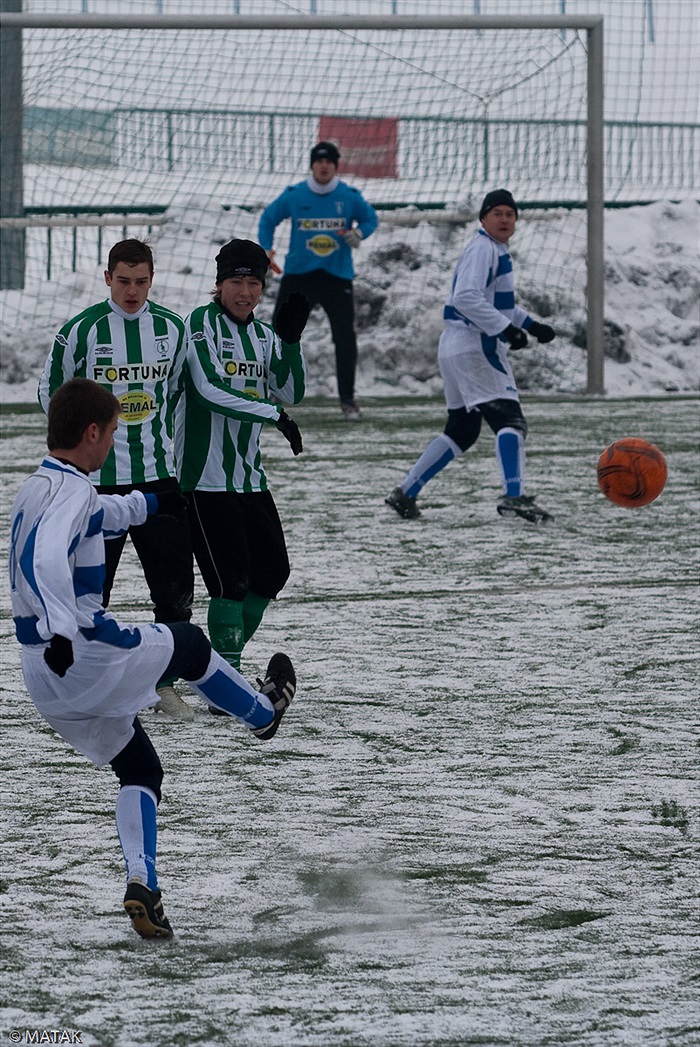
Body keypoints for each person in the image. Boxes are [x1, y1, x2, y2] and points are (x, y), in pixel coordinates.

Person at [8, 378, 298, 939]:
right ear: (92, 433)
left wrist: (156, 503)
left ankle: (144, 884)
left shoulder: (40, 488)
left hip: (43, 677)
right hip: (83, 653)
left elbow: (100, 514)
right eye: (113, 432)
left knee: (140, 769)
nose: (115, 441)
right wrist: (65, 629)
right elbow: (48, 558)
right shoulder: (69, 497)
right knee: (187, 644)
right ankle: (263, 715)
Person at [38, 238, 195, 720]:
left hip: (158, 479)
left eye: (142, 281)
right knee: (91, 590)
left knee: (173, 587)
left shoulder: (172, 329)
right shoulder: (80, 331)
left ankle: (164, 685)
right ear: (108, 278)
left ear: (152, 279)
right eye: (123, 281)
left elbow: (180, 393)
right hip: (97, 484)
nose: (132, 291)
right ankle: (82, 683)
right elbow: (50, 393)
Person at [173, 238, 307, 703]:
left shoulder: (265, 336)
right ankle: (222, 688)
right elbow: (208, 389)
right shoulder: (198, 325)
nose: (245, 291)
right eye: (236, 281)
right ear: (219, 284)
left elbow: (290, 391)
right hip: (203, 477)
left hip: (249, 477)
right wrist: (271, 415)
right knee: (230, 582)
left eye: (254, 282)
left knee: (273, 573)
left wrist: (290, 344)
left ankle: (214, 676)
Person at [385, 189, 556, 525]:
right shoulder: (483, 248)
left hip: (456, 345)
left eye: (510, 213)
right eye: (498, 213)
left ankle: (405, 493)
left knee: (462, 430)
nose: (505, 219)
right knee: (510, 421)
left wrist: (531, 325)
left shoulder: (491, 249)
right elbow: (466, 297)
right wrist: (505, 330)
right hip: (476, 344)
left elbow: (493, 303)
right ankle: (514, 497)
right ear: (483, 219)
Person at [258, 140, 378, 421]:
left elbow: (371, 219)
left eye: (329, 161)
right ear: (312, 165)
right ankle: (275, 391)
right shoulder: (295, 195)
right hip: (299, 275)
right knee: (281, 334)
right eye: (318, 161)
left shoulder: (348, 196)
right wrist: (266, 248)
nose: (323, 166)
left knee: (345, 337)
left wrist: (360, 234)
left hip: (337, 277)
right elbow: (268, 218)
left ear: (335, 166)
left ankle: (347, 399)